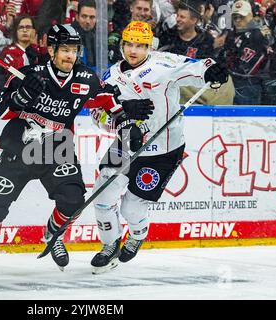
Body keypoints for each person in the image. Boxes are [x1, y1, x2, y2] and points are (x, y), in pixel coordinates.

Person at [0, 24, 140, 274]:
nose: (70, 56)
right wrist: (23, 95)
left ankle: (53, 235)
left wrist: (127, 122)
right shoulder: (28, 74)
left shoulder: (85, 79)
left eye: (74, 50)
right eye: (64, 49)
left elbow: (107, 100)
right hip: (20, 148)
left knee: (73, 202)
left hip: (57, 148)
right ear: (51, 50)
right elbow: (2, 111)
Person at [89, 20, 228, 274]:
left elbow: (197, 68)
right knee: (102, 196)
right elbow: (96, 114)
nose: (133, 50)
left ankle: (138, 233)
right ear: (121, 44)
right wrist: (117, 126)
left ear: (149, 46)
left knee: (131, 207)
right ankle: (109, 244)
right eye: (129, 43)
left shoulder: (164, 64)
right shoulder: (110, 76)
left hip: (163, 150)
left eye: (140, 45)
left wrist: (212, 72)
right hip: (126, 145)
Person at [71, 0, 97, 69]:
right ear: (77, 17)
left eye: (92, 17)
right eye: (84, 16)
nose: (88, 21)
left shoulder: (101, 36)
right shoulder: (69, 37)